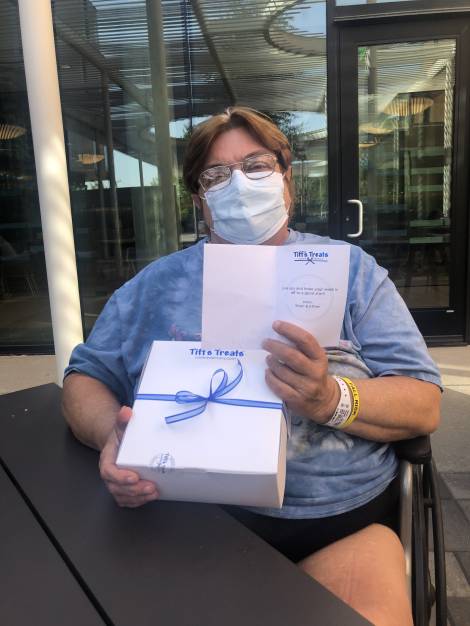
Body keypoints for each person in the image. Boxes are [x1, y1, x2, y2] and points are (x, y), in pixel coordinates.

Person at [63, 106, 442, 626]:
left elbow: (422, 403)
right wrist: (114, 436)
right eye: (216, 175)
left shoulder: (351, 273)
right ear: (199, 200)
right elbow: (84, 380)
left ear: (287, 181)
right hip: (191, 518)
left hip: (337, 522)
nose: (239, 184)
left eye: (257, 166)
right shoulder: (153, 286)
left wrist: (331, 399)